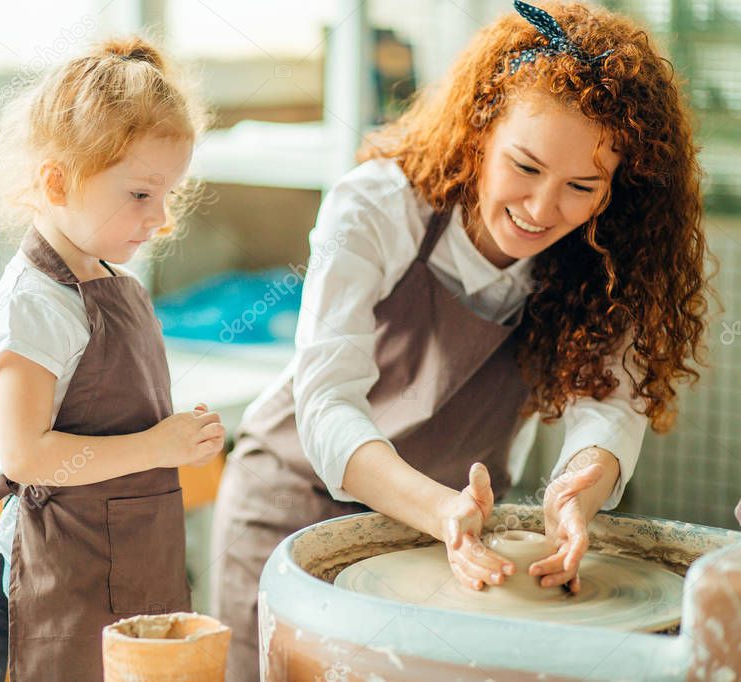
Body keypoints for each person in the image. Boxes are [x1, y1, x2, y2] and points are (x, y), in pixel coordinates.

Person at [210, 2, 710, 679]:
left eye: (580, 186)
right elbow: (325, 404)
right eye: (525, 167)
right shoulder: (376, 207)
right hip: (293, 509)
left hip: (463, 541)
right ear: (480, 130)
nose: (541, 209)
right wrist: (438, 509)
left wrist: (577, 489)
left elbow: (609, 405)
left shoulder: (606, 253)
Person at [0, 36, 223, 681]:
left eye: (169, 194)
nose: (161, 217)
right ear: (57, 181)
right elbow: (24, 456)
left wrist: (178, 437)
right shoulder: (36, 305)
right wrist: (157, 447)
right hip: (67, 570)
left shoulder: (112, 282)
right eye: (140, 194)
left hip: (134, 555)